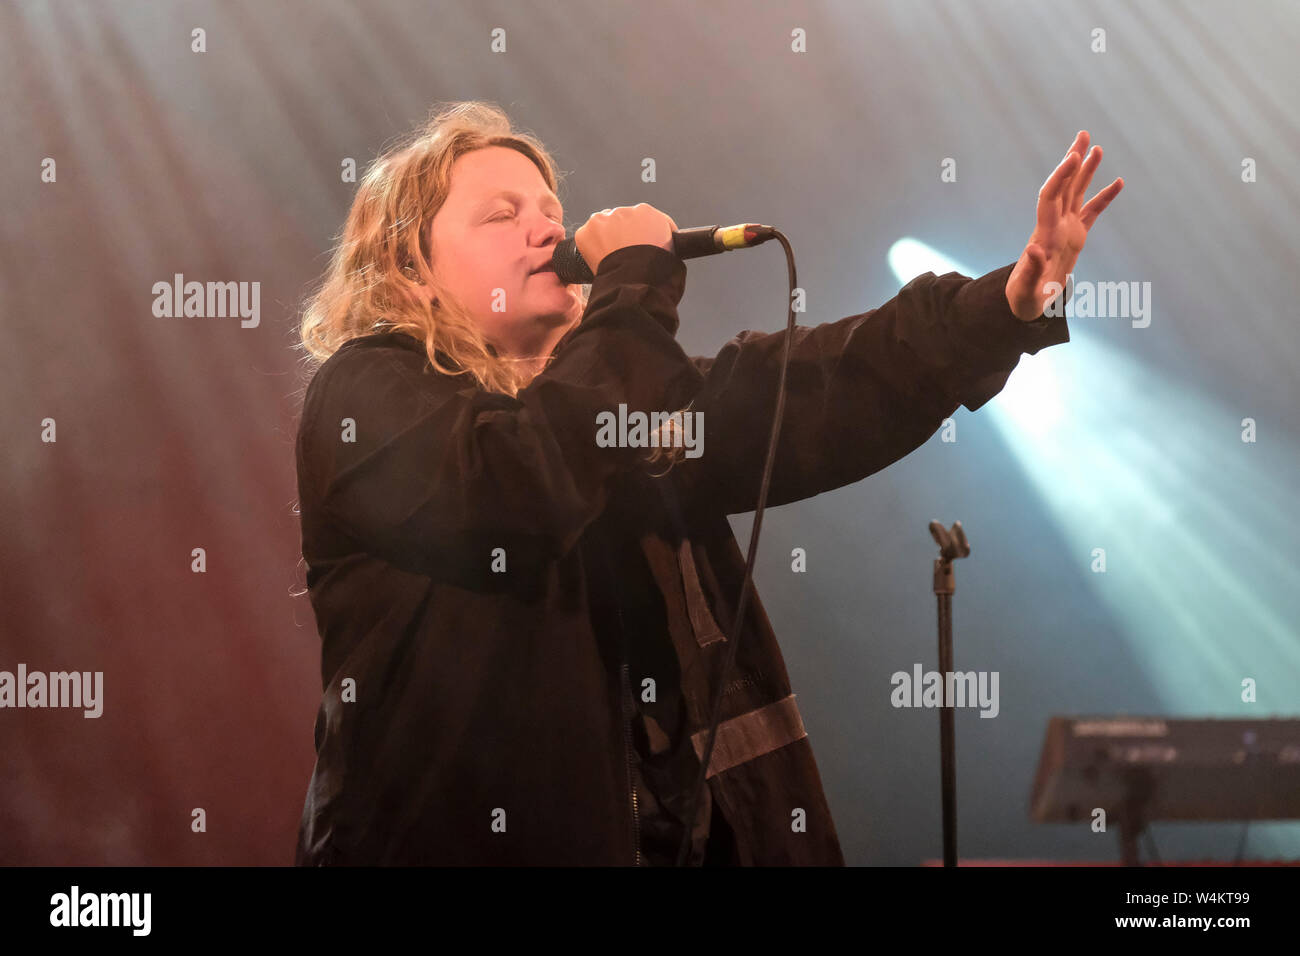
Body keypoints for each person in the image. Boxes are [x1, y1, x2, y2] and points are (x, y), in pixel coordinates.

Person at [291, 101, 1121, 865]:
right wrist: (635, 290)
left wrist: (1005, 307)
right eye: (502, 215)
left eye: (550, 209)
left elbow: (816, 388)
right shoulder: (363, 396)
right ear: (408, 269)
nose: (547, 230)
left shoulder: (625, 411)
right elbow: (521, 482)